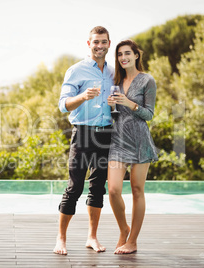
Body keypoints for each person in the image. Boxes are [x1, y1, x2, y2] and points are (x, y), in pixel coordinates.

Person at [54, 26, 114, 255]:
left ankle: (92, 237)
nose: (99, 46)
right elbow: (63, 105)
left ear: (109, 44)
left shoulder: (112, 72)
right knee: (75, 186)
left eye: (103, 42)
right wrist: (83, 96)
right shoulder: (76, 71)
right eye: (96, 42)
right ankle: (61, 239)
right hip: (83, 133)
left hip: (106, 134)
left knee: (98, 187)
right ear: (88, 44)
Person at [106, 39, 158, 254]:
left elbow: (149, 114)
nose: (123, 57)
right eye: (119, 54)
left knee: (137, 190)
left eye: (127, 53)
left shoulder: (147, 80)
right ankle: (123, 229)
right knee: (113, 190)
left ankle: (133, 241)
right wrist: (111, 107)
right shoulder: (115, 80)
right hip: (118, 139)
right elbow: (115, 116)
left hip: (139, 140)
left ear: (137, 55)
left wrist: (130, 103)